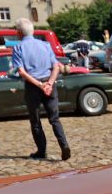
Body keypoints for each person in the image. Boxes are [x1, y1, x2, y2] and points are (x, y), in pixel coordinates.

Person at [12, 18, 70, 161]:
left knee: (35, 120)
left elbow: (22, 72)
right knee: (54, 119)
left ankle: (41, 151)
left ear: (19, 32)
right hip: (49, 84)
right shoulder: (45, 45)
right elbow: (56, 66)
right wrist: (49, 83)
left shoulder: (18, 48)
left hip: (33, 87)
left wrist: (39, 85)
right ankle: (64, 145)